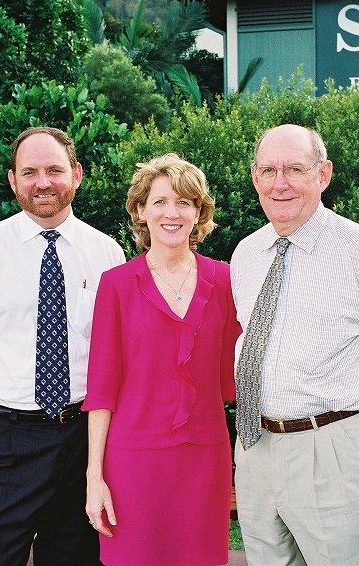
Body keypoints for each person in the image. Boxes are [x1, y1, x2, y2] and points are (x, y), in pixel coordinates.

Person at [230, 124, 359, 566]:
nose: (280, 183)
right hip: (256, 446)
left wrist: (352, 433)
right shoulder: (246, 253)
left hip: (334, 451)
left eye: (295, 169)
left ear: (323, 175)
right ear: (254, 177)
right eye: (269, 170)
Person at [0, 126, 125, 566]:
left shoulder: (107, 255)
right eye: (30, 172)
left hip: (82, 441)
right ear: (13, 180)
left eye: (55, 170)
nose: (43, 182)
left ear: (76, 175)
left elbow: (114, 351)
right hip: (2, 442)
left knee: (75, 558)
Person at [83, 153, 239, 566]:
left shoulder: (225, 280)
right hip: (131, 460)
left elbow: (238, 377)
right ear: (140, 210)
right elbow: (101, 389)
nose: (172, 213)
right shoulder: (115, 284)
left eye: (184, 202)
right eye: (160, 201)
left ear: (199, 213)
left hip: (204, 458)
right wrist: (93, 477)